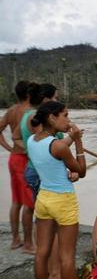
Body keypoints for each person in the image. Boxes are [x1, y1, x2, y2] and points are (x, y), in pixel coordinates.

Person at [27, 101, 86, 279]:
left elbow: (51, 158)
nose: (68, 120)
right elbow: (81, 171)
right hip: (63, 200)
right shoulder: (58, 146)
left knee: (41, 253)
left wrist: (68, 171)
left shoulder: (32, 140)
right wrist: (78, 140)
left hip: (43, 198)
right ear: (52, 118)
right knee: (67, 257)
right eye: (65, 115)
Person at [0, 80, 35, 253]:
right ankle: (28, 244)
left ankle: (16, 239)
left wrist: (8, 148)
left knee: (16, 201)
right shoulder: (28, 112)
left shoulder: (12, 110)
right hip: (24, 159)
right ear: (29, 94)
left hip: (13, 158)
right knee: (29, 202)